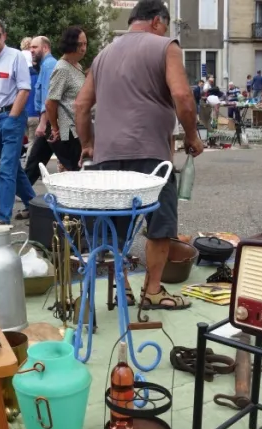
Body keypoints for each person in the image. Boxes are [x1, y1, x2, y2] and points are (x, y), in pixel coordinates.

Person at [75, 0, 204, 310]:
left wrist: (88, 143)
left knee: (114, 227)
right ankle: (153, 291)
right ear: (158, 22)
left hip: (107, 158)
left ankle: (122, 288)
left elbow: (81, 105)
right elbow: (183, 96)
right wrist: (191, 135)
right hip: (151, 155)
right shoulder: (164, 46)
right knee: (160, 225)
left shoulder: (103, 54)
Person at [0, 17, 36, 226]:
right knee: (13, 167)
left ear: (4, 35)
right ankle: (34, 204)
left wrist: (13, 117)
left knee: (6, 167)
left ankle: (2, 217)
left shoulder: (15, 57)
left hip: (12, 116)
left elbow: (25, 88)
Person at [21, 35, 58, 200]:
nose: (31, 50)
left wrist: (43, 123)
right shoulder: (45, 66)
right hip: (53, 122)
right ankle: (28, 201)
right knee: (34, 161)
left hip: (52, 123)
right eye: (31, 48)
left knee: (35, 161)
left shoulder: (49, 65)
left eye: (35, 47)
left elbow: (48, 98)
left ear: (45, 48)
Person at [46, 26, 87, 171]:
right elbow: (51, 102)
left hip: (78, 127)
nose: (83, 48)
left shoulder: (77, 66)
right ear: (70, 45)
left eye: (85, 44)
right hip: (67, 130)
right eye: (79, 44)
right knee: (75, 170)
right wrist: (54, 127)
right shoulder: (62, 68)